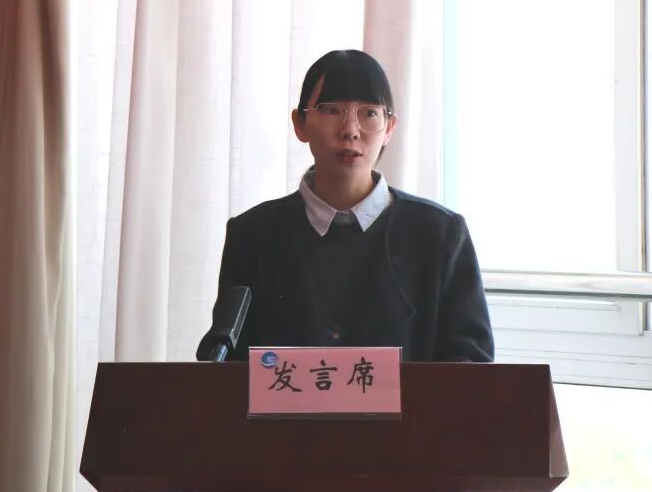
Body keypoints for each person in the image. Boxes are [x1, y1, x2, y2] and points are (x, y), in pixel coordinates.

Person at [198, 49, 493, 363]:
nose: (350, 130)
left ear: (389, 128)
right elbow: (227, 361)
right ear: (300, 123)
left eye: (369, 113)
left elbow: (471, 367)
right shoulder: (252, 235)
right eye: (331, 110)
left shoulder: (439, 234)